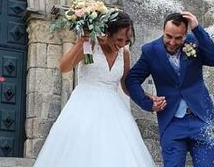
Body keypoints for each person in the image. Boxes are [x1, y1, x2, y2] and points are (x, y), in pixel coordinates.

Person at [34, 11, 155, 166]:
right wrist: (80, 43)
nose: (122, 43)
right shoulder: (90, 45)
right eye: (119, 39)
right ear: (108, 32)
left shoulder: (124, 53)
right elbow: (65, 67)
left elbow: (125, 85)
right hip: (84, 106)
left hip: (114, 110)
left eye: (127, 40)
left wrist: (145, 95)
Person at [126, 11, 214, 167]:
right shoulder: (150, 51)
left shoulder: (195, 41)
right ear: (163, 30)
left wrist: (197, 28)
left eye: (178, 38)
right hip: (171, 122)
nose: (172, 42)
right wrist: (148, 104)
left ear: (185, 34)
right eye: (168, 36)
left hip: (201, 119)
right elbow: (132, 79)